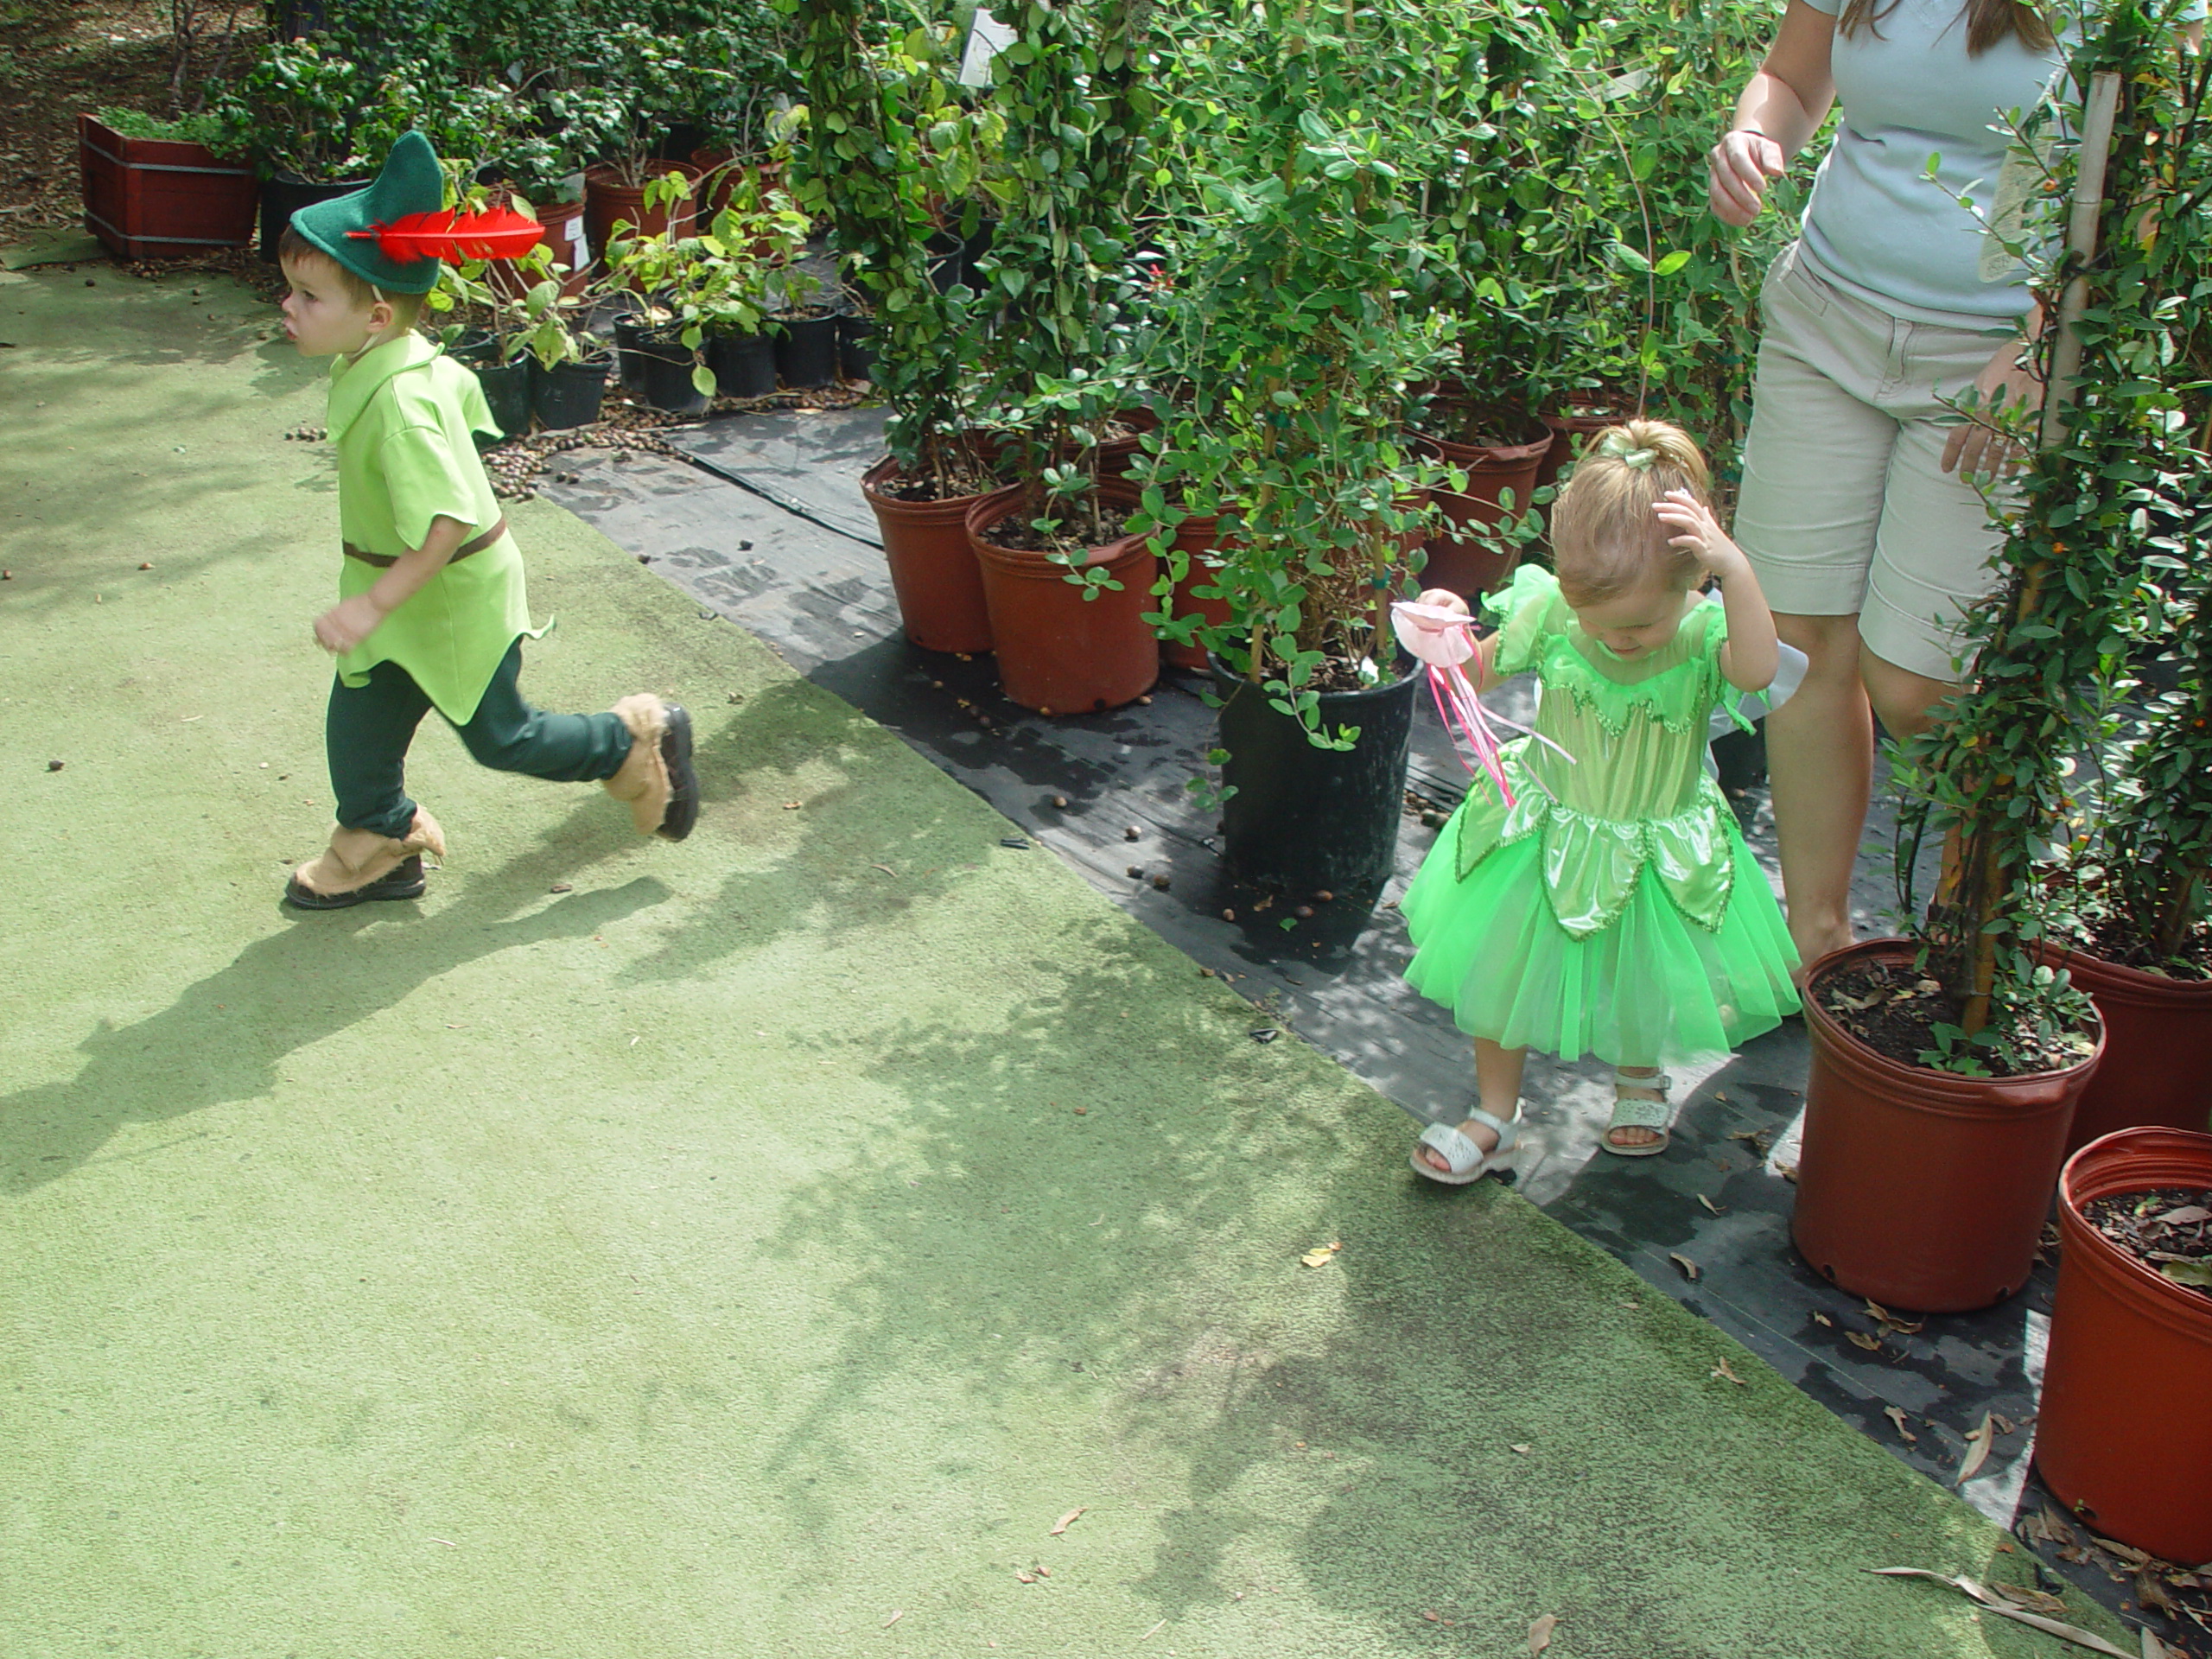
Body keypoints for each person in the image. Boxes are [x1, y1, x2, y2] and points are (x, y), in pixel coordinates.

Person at [1704, 0, 2199, 971]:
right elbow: (1795, 79)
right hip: (1823, 325)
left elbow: (2147, 189)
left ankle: (1968, 949)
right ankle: (1817, 943)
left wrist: (2043, 339)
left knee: (1919, 685)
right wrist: (1753, 135)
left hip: (1990, 372)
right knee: (1797, 643)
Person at [275, 133, 699, 910]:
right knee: (359, 721)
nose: (288, 306)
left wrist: (373, 604)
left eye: (308, 296)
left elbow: (445, 523)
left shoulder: (400, 404)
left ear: (373, 315)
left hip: (447, 591)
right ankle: (377, 839)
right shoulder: (380, 362)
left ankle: (632, 739)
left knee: (503, 737)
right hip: (400, 585)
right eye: (291, 289)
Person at [1400, 422, 1802, 1182]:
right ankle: (1496, 1116)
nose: (1621, 639)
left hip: (1656, 840)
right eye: (1600, 621)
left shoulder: (1705, 633)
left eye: (1644, 621)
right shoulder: (1551, 612)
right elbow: (1476, 676)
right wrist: (1444, 632)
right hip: (1543, 832)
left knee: (1644, 967)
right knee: (1500, 966)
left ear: (1695, 583)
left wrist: (1739, 573)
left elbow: (1756, 672)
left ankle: (1640, 1079)